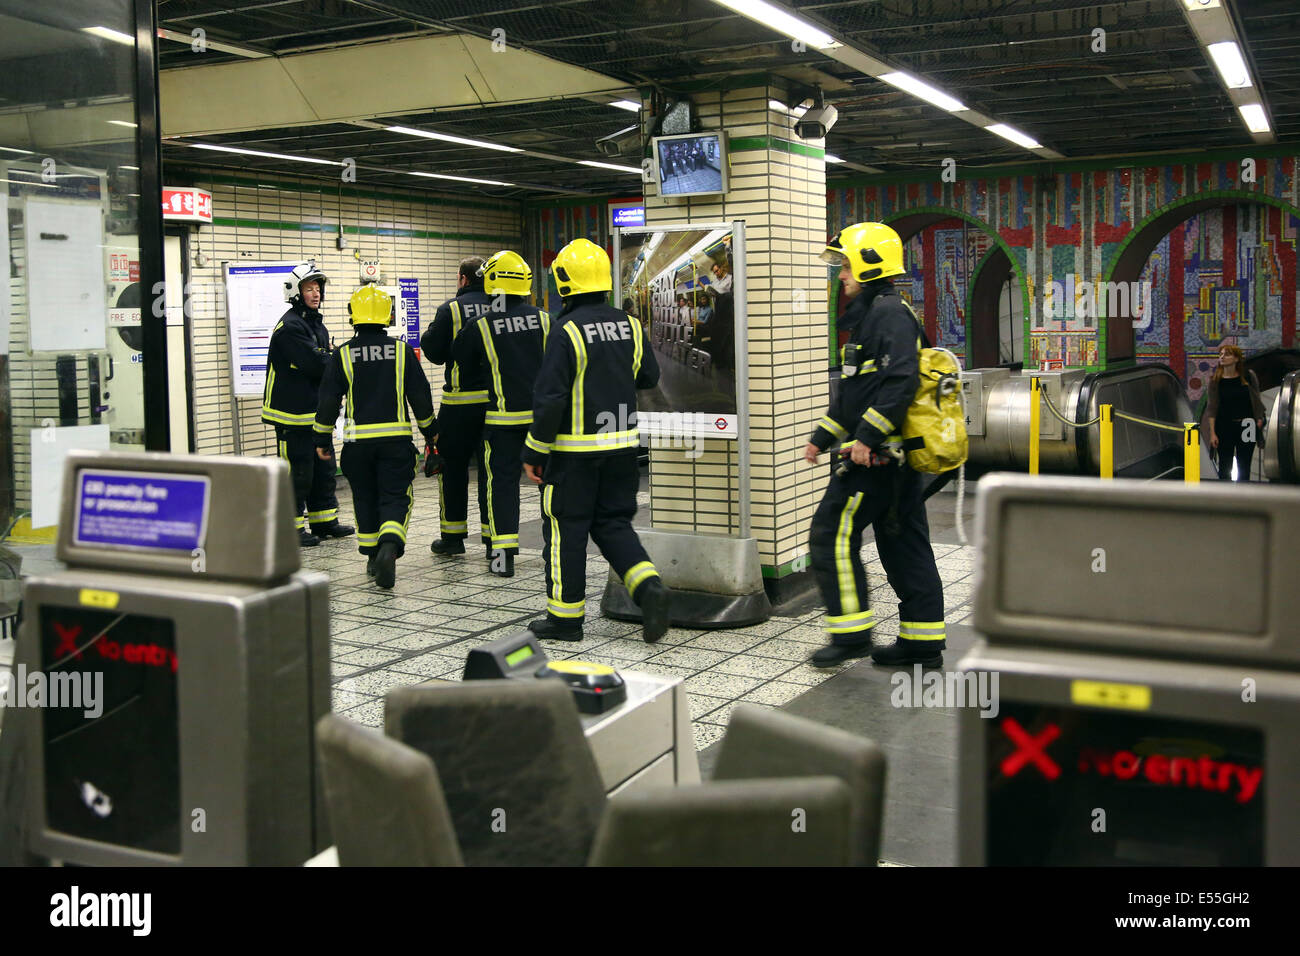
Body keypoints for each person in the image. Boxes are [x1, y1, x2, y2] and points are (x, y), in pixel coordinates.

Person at [804, 221, 946, 668]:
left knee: (831, 534)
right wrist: (821, 438)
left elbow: (899, 380)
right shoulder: (874, 315)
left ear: (868, 265)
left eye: (845, 265)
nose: (840, 274)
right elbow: (856, 393)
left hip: (882, 459)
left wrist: (867, 439)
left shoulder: (888, 313)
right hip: (891, 457)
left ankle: (851, 634)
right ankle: (923, 641)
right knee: (902, 544)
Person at [522, 237, 672, 643]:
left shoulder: (564, 330)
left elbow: (550, 397)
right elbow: (649, 377)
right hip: (622, 448)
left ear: (565, 283)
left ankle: (565, 619)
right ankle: (648, 588)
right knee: (613, 525)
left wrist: (534, 449)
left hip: (573, 456)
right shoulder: (630, 325)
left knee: (565, 530)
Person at [314, 285, 437, 589]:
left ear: (353, 316)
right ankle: (390, 546)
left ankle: (372, 556)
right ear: (387, 315)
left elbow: (329, 400)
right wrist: (431, 433)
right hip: (395, 443)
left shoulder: (342, 354)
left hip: (357, 447)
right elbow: (419, 397)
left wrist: (321, 439)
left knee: (365, 498)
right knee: (395, 496)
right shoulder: (401, 351)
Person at [451, 251, 549, 578]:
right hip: (543, 425)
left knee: (501, 487)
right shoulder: (547, 320)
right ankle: (553, 550)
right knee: (551, 486)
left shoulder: (480, 326)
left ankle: (501, 557)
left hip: (502, 424)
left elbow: (461, 364)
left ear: (491, 282)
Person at [261, 261, 354, 547]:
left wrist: (330, 357)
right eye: (309, 288)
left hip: (314, 414)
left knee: (323, 469)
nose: (315, 294)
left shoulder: (314, 322)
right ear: (295, 291)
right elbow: (316, 363)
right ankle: (291, 529)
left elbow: (323, 359)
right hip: (291, 416)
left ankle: (324, 521)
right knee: (297, 472)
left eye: (317, 288)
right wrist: (335, 359)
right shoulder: (290, 326)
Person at [421, 256, 493, 558]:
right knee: (491, 473)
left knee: (452, 471)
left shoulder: (450, 309)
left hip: (458, 405)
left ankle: (452, 538)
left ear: (463, 279)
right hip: (494, 406)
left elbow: (434, 353)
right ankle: (494, 540)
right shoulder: (501, 307)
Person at [1206, 342, 1266, 481]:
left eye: (1227, 354)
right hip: (1225, 425)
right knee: (1225, 465)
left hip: (1247, 425)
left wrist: (1259, 419)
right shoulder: (1216, 381)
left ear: (1236, 359)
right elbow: (1212, 407)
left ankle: (1243, 496)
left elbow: (1256, 399)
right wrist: (1213, 433)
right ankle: (1225, 498)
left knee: (1244, 464)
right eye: (1220, 354)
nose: (1222, 357)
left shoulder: (1248, 377)